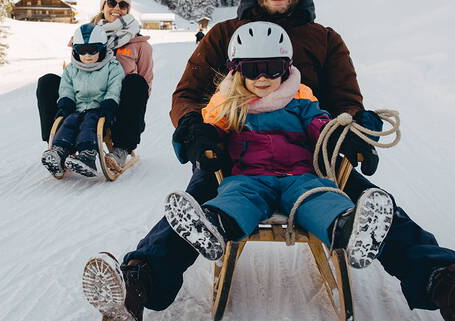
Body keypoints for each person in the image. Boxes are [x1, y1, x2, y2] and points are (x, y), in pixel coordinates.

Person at [81, 0, 455, 321]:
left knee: (370, 205)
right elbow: (187, 94)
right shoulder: (224, 34)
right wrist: (195, 130)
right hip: (231, 150)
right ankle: (136, 285)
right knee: (203, 198)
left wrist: (355, 129)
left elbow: (346, 100)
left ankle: (454, 292)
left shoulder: (325, 38)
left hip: (313, 155)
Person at [163, 21, 394, 271]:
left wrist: (345, 134)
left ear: (286, 69)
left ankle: (348, 231)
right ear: (237, 70)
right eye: (252, 69)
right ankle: (214, 227)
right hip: (250, 177)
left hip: (300, 175)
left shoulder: (301, 99)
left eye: (272, 68)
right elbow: (206, 131)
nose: (262, 77)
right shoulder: (228, 105)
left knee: (320, 197)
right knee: (236, 198)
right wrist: (198, 140)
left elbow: (322, 127)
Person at [37, 0, 153, 173]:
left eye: (122, 5)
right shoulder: (85, 35)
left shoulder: (140, 45)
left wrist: (117, 103)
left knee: (137, 83)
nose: (117, 8)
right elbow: (74, 71)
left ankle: (121, 149)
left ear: (128, 9)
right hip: (84, 97)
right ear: (103, 6)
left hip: (117, 105)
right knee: (47, 82)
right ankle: (57, 145)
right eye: (112, 3)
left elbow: (146, 84)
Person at [41, 23, 123, 178]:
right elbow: (66, 89)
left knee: (89, 124)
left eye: (92, 50)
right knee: (68, 122)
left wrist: (109, 105)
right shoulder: (71, 69)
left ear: (102, 48)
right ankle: (59, 152)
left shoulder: (112, 66)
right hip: (77, 109)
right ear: (75, 50)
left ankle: (88, 155)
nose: (87, 55)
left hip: (98, 110)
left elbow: (114, 88)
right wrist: (65, 104)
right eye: (82, 51)